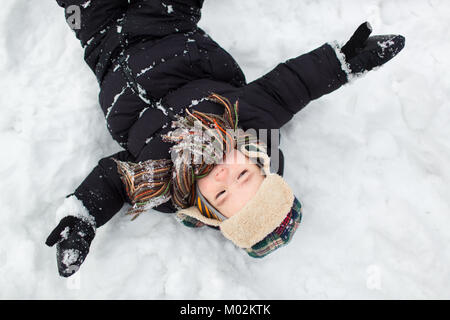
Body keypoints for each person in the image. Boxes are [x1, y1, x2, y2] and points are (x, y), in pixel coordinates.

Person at [46, 0, 405, 277]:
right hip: (167, 21)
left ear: (204, 208)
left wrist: (82, 220)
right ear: (257, 162)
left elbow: (113, 180)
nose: (224, 177)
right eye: (243, 176)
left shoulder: (160, 181)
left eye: (221, 194)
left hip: (101, 45)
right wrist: (342, 62)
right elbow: (294, 84)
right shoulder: (249, 118)